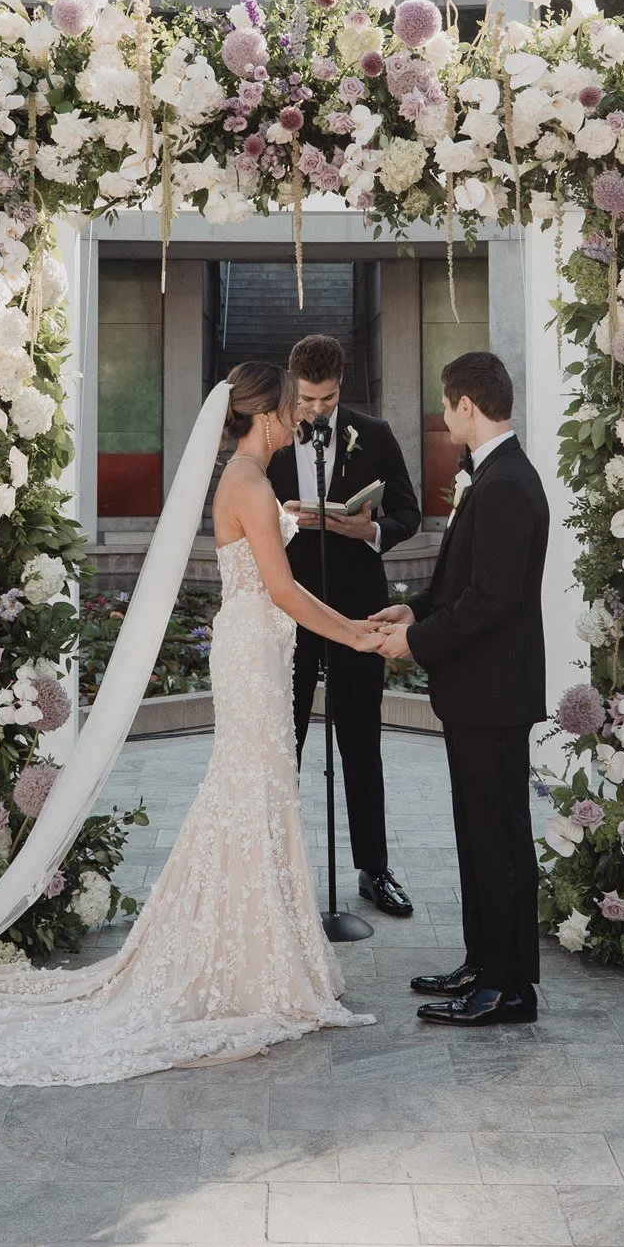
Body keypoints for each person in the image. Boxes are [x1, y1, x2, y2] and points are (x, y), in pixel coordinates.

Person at [0, 363, 381, 1086]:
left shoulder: (247, 479)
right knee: (251, 783)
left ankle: (265, 953)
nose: (294, 420)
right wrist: (357, 634)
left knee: (260, 784)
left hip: (260, 641)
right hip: (256, 641)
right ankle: (247, 960)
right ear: (268, 414)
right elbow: (280, 586)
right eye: (287, 409)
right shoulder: (249, 481)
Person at [372, 352, 548, 1026]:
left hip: (494, 692)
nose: (443, 420)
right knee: (477, 837)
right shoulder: (495, 475)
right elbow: (463, 584)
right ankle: (482, 964)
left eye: (446, 407)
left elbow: (492, 601)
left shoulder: (504, 483)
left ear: (466, 406)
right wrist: (413, 610)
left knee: (499, 841)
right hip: (479, 691)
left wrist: (415, 644)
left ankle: (509, 988)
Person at [268, 334, 421, 919]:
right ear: (291, 386)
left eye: (327, 400)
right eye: (306, 399)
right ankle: (278, 867)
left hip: (359, 610)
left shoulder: (374, 434)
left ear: (342, 388)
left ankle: (373, 869)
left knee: (362, 742)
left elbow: (408, 510)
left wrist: (372, 531)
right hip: (294, 610)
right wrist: (281, 519)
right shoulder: (273, 437)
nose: (314, 411)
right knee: (289, 742)